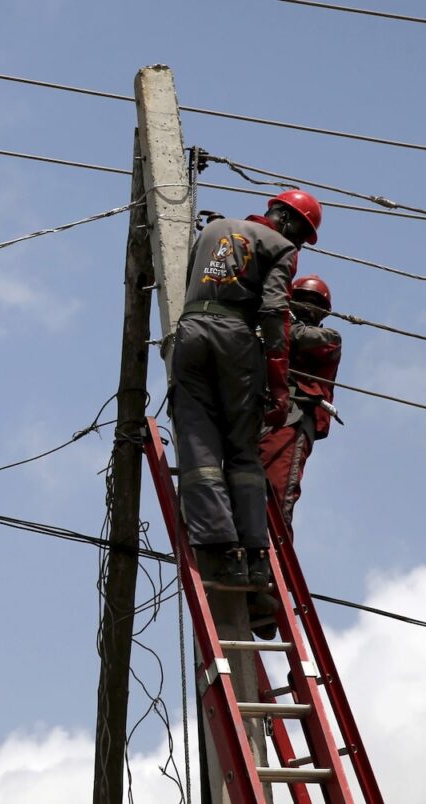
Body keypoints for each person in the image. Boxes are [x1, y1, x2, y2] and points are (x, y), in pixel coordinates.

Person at [170, 189, 323, 586]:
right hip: (235, 338)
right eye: (302, 237)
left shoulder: (211, 230)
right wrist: (278, 382)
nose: (300, 246)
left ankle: (216, 548)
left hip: (189, 333)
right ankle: (251, 555)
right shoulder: (280, 247)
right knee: (242, 447)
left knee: (197, 439)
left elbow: (191, 282)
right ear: (288, 221)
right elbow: (274, 311)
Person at [260, 274, 342, 527]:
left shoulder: (329, 338)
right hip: (261, 415)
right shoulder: (271, 334)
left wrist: (276, 323)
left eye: (313, 303)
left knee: (278, 489)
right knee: (244, 485)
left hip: (293, 419)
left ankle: (274, 557)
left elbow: (301, 338)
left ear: (323, 313)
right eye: (302, 300)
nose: (307, 307)